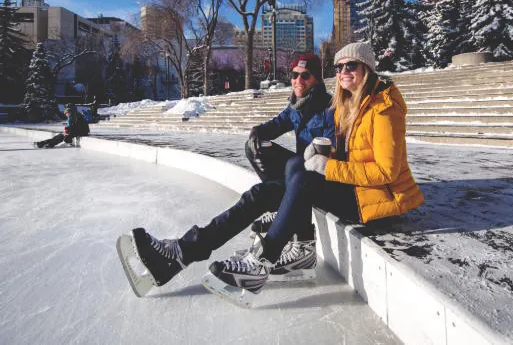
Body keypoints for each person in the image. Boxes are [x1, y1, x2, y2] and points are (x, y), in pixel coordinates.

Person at [124, 43, 424, 301]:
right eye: (341, 66)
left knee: (302, 173)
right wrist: (320, 156)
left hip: (375, 201)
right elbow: (342, 151)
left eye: (352, 65)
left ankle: (262, 262)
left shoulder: (383, 108)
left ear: (367, 68)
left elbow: (386, 171)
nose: (344, 71)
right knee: (265, 190)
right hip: (350, 188)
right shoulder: (349, 103)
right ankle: (181, 252)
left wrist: (326, 164)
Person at [123, 53, 335, 296]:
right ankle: (181, 252)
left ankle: (269, 252)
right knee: (257, 185)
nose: (298, 80)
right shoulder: (297, 106)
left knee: (297, 164)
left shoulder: (329, 108)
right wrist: (257, 133)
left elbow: (329, 155)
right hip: (300, 178)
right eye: (294, 75)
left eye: (305, 76)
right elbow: (276, 124)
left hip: (318, 182)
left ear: (317, 79)